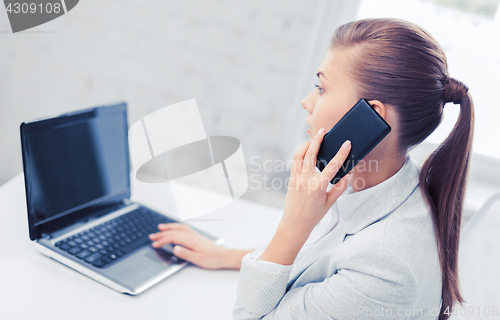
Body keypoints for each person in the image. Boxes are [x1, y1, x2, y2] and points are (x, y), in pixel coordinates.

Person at [148, 18, 474, 320]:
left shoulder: (385, 270)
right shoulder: (388, 182)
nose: (307, 101)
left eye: (321, 88)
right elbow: (319, 258)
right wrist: (226, 256)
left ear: (372, 116)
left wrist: (294, 222)